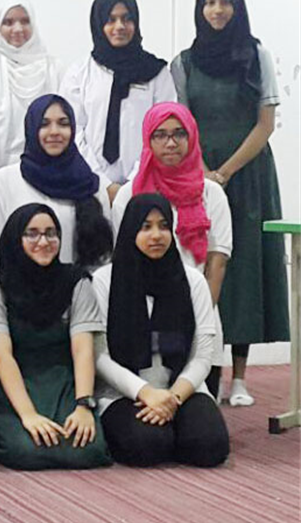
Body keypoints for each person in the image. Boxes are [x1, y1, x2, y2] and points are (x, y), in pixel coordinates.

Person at [171, 0, 289, 406]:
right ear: (199, 8)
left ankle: (240, 378)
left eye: (225, 1)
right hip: (196, 177)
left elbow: (265, 124)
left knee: (246, 272)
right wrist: (204, 171)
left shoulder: (257, 56)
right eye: (209, 1)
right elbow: (182, 125)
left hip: (250, 176)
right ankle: (207, 371)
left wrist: (225, 172)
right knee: (202, 267)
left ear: (237, 7)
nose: (217, 9)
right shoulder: (183, 62)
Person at [93, 193, 229, 467]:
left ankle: (175, 426)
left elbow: (203, 356)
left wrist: (173, 398)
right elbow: (99, 357)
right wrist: (146, 392)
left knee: (209, 446)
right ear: (130, 230)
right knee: (148, 446)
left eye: (164, 226)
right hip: (123, 392)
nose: (156, 235)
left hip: (183, 388)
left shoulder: (192, 281)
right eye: (146, 227)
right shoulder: (104, 281)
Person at [0, 203, 111, 470]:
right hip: (13, 386)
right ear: (15, 239)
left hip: (64, 385)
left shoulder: (76, 281)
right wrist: (28, 415)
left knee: (88, 451)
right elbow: (2, 357)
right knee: (27, 451)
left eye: (51, 233)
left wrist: (83, 405)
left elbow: (83, 349)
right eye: (32, 233)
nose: (44, 241)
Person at [112, 103, 231, 399]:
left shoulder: (211, 193)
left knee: (198, 411)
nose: (171, 142)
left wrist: (197, 318)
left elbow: (217, 263)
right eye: (160, 134)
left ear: (192, 137)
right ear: (147, 140)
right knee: (143, 411)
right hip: (140, 317)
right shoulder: (129, 194)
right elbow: (123, 260)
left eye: (179, 133)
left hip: (198, 314)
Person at [61, 0, 176, 202]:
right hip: (89, 186)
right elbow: (73, 132)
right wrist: (103, 184)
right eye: (111, 20)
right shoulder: (79, 73)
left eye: (127, 19)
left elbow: (163, 132)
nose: (120, 26)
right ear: (98, 24)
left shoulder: (157, 73)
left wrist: (132, 183)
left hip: (146, 186)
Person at [0, 94, 112, 275]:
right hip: (17, 289)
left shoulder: (91, 186)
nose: (54, 131)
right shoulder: (3, 182)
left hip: (78, 289)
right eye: (44, 124)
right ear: (31, 128)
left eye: (63, 124)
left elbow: (102, 261)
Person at [0, 0, 64, 185]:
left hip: (44, 176)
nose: (18, 29)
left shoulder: (53, 69)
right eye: (8, 22)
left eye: (25, 21)